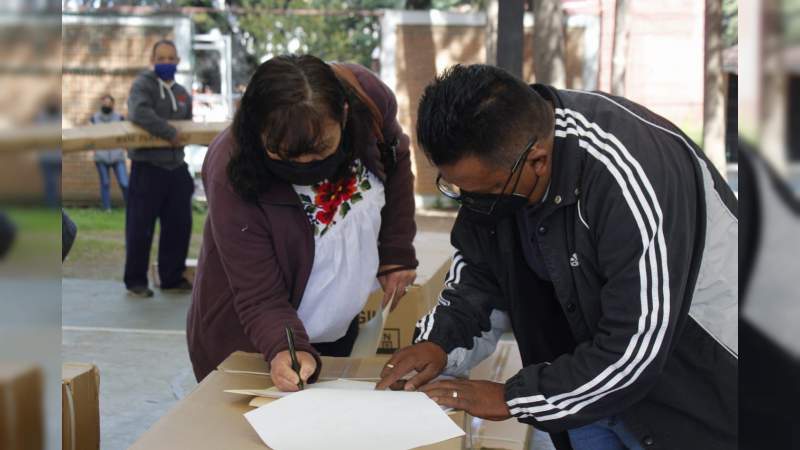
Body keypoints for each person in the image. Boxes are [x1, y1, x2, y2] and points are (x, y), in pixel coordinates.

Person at [378, 65, 738, 450]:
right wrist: (439, 343)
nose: (473, 203)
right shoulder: (501, 168)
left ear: (538, 161)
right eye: (458, 188)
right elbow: (479, 275)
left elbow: (636, 349)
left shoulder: (628, 175)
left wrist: (512, 397)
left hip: (693, 387)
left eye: (488, 191)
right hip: (583, 384)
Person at [187, 55, 418, 389]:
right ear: (258, 133)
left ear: (344, 114)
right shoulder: (231, 170)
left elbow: (395, 160)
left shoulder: (367, 100)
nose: (308, 165)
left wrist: (395, 250)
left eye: (322, 148)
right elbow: (259, 294)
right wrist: (285, 348)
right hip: (255, 340)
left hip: (337, 326)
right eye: (286, 154)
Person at [124, 39, 194, 297]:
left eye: (170, 58)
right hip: (148, 167)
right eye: (161, 58)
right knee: (140, 228)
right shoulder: (144, 84)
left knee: (179, 226)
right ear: (153, 61)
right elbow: (139, 112)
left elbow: (188, 125)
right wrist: (168, 132)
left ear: (177, 61)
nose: (166, 62)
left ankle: (172, 277)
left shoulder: (183, 92)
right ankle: (136, 281)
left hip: (176, 167)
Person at [90, 94, 129, 211]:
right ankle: (107, 208)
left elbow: (125, 135)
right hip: (101, 156)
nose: (106, 104)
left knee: (124, 183)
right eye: (104, 102)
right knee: (105, 183)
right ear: (101, 104)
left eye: (109, 102)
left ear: (113, 104)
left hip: (117, 156)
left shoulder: (120, 118)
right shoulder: (94, 119)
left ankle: (130, 206)